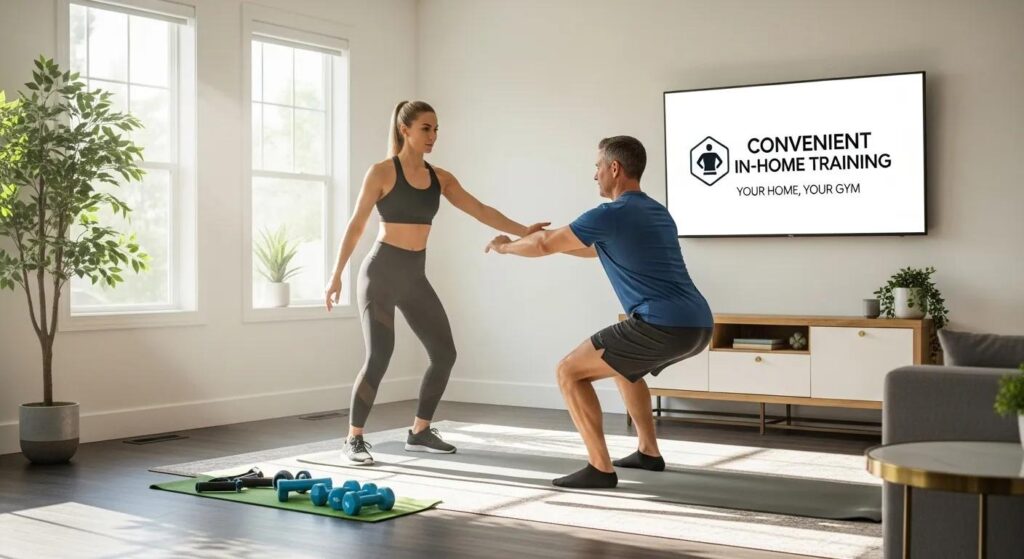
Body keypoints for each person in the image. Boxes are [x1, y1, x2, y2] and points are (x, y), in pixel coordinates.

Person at [326, 100, 548, 465]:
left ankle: (419, 432)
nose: (433, 136)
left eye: (436, 129)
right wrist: (336, 275)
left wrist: (524, 230)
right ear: (405, 129)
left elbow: (480, 210)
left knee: (444, 354)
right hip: (381, 274)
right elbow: (356, 225)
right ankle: (354, 438)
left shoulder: (440, 178)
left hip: (414, 276)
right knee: (380, 355)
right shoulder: (381, 172)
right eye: (426, 128)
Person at [485, 135, 713, 488]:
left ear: (614, 168)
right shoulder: (656, 212)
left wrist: (506, 247)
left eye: (598, 167)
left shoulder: (611, 213)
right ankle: (648, 451)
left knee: (568, 372)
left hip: (661, 324)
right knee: (624, 368)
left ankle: (600, 468)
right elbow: (589, 248)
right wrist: (535, 238)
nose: (595, 175)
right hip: (698, 324)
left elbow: (544, 244)